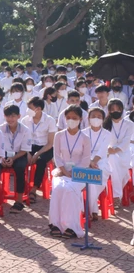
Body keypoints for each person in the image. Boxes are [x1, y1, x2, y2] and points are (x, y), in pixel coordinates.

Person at [48, 106, 90, 238]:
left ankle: (71, 226)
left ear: (80, 119)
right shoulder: (59, 135)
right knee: (59, 187)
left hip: (80, 173)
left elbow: (85, 160)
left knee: (70, 190)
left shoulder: (85, 138)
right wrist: (65, 172)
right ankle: (55, 223)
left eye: (74, 118)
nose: (71, 120)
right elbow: (57, 157)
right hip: (62, 171)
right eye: (68, 118)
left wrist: (74, 173)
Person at [22, 96, 58, 204]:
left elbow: (50, 143)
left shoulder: (49, 120)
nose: (28, 110)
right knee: (20, 160)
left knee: (41, 161)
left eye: (30, 108)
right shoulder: (25, 120)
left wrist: (38, 153)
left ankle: (34, 189)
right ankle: (23, 187)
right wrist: (27, 152)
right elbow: (22, 139)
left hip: (45, 147)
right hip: (29, 146)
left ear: (38, 109)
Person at [0, 105, 32, 212]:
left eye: (13, 116)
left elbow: (24, 150)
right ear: (4, 116)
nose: (10, 119)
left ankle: (19, 201)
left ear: (19, 116)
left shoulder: (25, 130)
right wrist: (2, 158)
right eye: (8, 116)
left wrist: (13, 158)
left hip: (19, 155)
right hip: (3, 155)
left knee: (20, 169)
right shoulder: (0, 129)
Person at [104, 99, 133, 208]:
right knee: (112, 158)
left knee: (114, 158)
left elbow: (126, 141)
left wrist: (115, 150)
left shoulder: (129, 124)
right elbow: (103, 140)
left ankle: (116, 195)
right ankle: (116, 195)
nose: (115, 111)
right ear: (109, 110)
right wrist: (109, 149)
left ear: (122, 109)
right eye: (112, 109)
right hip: (108, 152)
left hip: (123, 153)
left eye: (118, 109)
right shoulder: (105, 123)